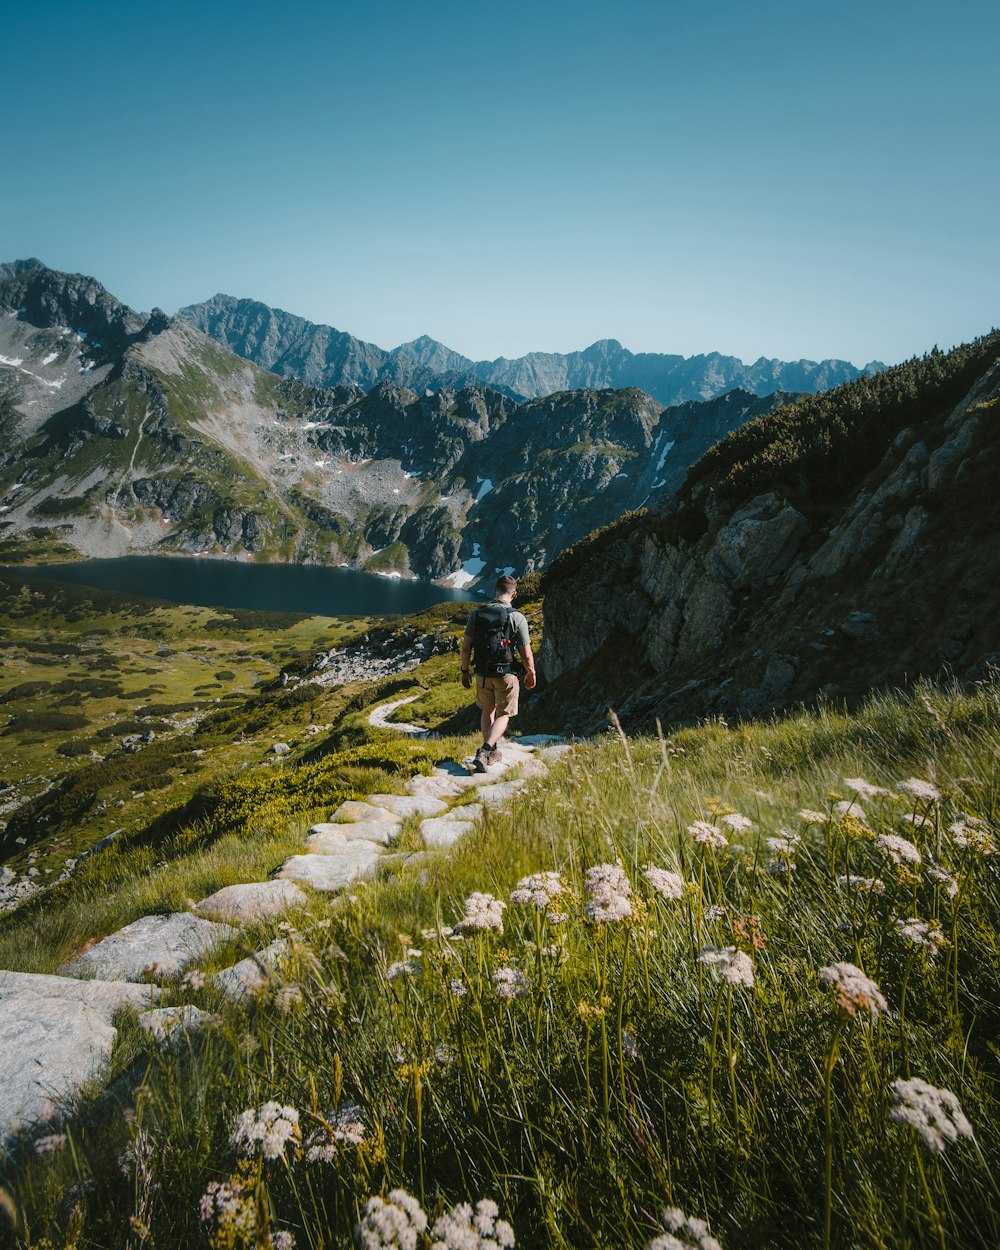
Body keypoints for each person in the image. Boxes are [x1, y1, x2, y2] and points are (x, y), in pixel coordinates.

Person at [460, 574, 536, 772]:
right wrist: (531, 672)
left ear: (495, 591)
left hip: (482, 674)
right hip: (506, 674)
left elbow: (466, 648)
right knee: (505, 714)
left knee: (487, 711)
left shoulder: (476, 615)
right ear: (514, 594)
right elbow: (526, 653)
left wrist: (464, 671)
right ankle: (486, 750)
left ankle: (491, 752)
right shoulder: (517, 617)